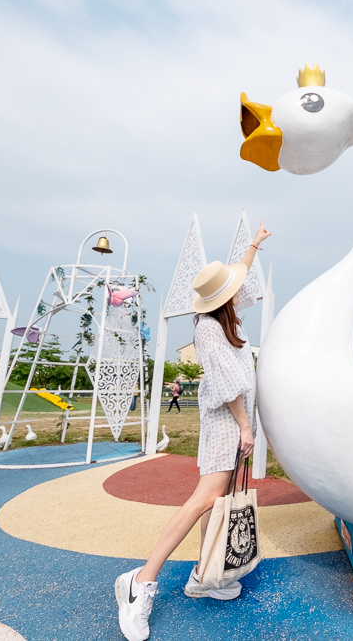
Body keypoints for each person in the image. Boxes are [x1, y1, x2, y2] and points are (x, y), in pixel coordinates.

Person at [115, 221, 270, 641]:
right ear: (225, 298)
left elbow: (239, 274)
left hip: (231, 424)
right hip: (227, 423)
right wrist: (244, 427)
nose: (242, 291)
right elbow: (225, 386)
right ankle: (141, 582)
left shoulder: (223, 321)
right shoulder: (209, 329)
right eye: (236, 288)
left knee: (214, 499)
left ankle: (204, 575)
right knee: (203, 499)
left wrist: (252, 246)